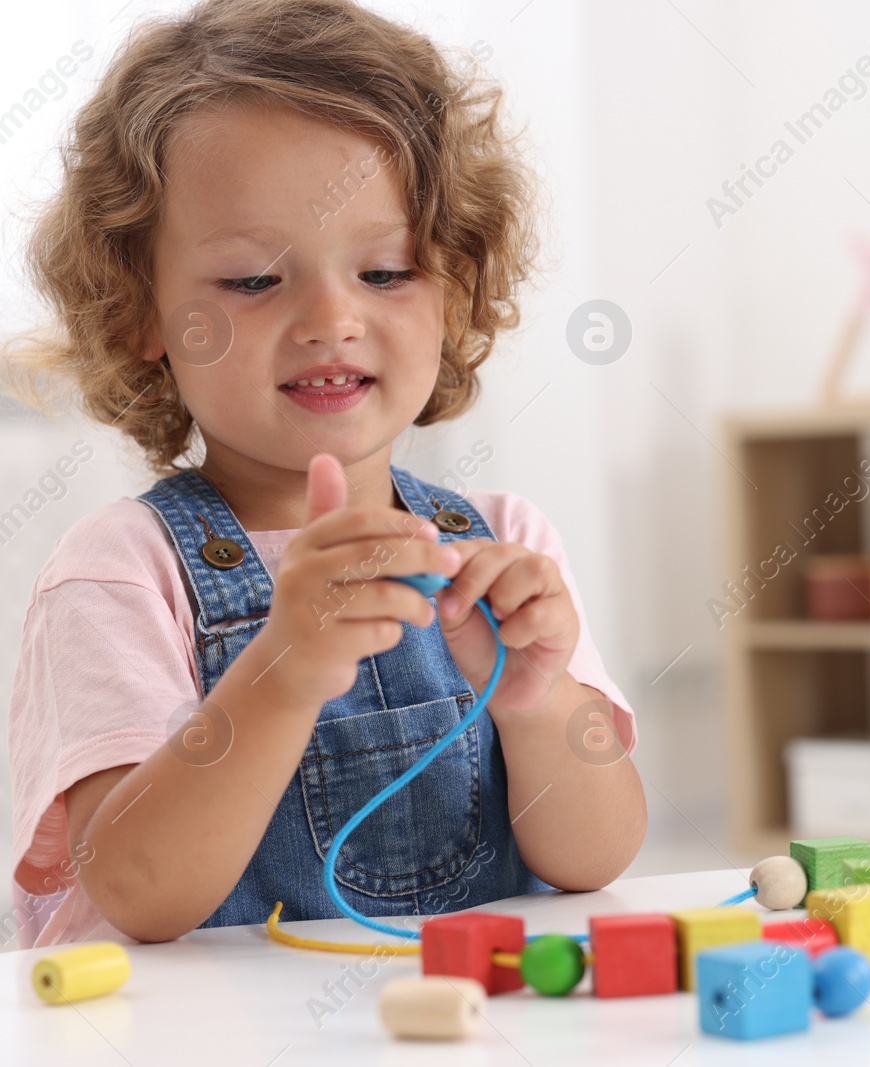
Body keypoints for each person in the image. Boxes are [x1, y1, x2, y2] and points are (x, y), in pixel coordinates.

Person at [1, 0, 645, 949]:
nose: (331, 316)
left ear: (454, 290)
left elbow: (595, 854)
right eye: (254, 281)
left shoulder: (502, 542)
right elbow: (138, 889)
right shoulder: (122, 572)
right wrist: (283, 668)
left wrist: (537, 700)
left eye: (386, 272)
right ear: (142, 311)